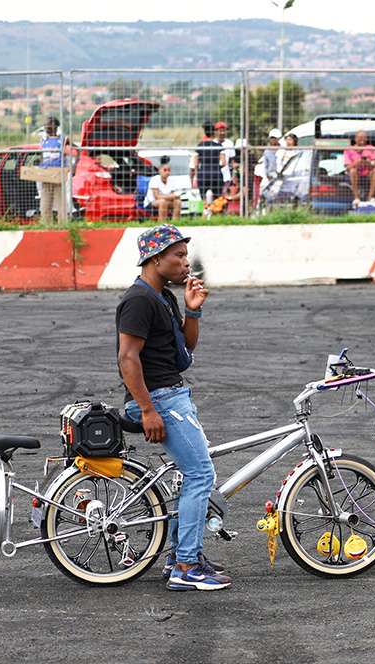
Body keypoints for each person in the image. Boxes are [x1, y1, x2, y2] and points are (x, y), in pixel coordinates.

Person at [116, 224, 231, 591]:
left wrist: (192, 312)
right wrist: (148, 410)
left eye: (185, 255)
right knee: (200, 475)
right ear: (154, 258)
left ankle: (181, 556)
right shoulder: (139, 300)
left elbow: (184, 354)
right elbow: (127, 358)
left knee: (194, 475)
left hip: (172, 393)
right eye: (178, 256)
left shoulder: (163, 295)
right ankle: (185, 567)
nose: (186, 263)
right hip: (161, 398)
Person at [39, 116, 69, 225]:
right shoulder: (44, 140)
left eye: (48, 125)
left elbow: (77, 149)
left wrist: (74, 166)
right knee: (45, 205)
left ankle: (63, 225)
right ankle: (46, 225)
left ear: (54, 126)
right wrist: (40, 168)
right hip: (46, 177)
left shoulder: (63, 139)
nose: (46, 127)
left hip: (58, 176)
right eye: (45, 125)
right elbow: (42, 156)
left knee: (61, 204)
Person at [344, 130, 375, 204]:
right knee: (352, 170)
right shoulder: (349, 150)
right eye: (360, 139)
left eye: (364, 139)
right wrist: (356, 163)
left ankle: (370, 197)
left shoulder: (371, 148)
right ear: (355, 139)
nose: (362, 141)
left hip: (368, 174)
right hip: (355, 174)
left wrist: (369, 162)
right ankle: (356, 198)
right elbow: (347, 167)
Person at [193, 125, 226, 202]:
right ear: (214, 133)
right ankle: (215, 211)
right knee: (217, 198)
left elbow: (195, 163)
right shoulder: (219, 146)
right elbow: (224, 162)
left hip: (203, 173)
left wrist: (198, 172)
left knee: (203, 198)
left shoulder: (200, 146)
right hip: (216, 173)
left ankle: (205, 211)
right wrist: (217, 167)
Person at [144, 157, 182, 221]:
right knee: (162, 202)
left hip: (166, 201)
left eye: (169, 170)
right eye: (165, 170)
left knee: (178, 202)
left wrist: (175, 197)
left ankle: (175, 223)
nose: (167, 172)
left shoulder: (171, 180)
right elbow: (157, 196)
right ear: (159, 170)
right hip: (152, 202)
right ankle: (162, 223)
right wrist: (169, 196)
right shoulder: (154, 179)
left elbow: (172, 196)